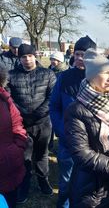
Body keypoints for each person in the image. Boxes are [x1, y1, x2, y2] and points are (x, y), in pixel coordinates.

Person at [64, 49, 109, 207]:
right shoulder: (76, 110)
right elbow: (81, 154)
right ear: (92, 77)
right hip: (93, 188)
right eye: (105, 73)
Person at [49, 35, 97, 208]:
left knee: (89, 182)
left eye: (84, 54)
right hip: (67, 142)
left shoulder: (100, 78)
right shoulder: (64, 77)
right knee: (66, 181)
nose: (79, 58)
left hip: (92, 144)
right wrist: (62, 131)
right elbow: (54, 107)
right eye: (77, 54)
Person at [6, 44, 56, 203]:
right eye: (23, 57)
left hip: (42, 123)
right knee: (24, 156)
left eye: (29, 56)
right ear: (19, 58)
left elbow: (52, 97)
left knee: (42, 154)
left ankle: (43, 180)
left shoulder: (48, 74)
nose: (27, 59)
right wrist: (22, 115)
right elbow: (9, 98)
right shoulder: (11, 75)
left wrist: (37, 115)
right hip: (22, 124)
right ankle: (24, 185)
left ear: (35, 56)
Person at [0, 65, 27, 208]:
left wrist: (18, 147)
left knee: (10, 202)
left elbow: (17, 125)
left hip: (9, 166)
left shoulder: (4, 98)